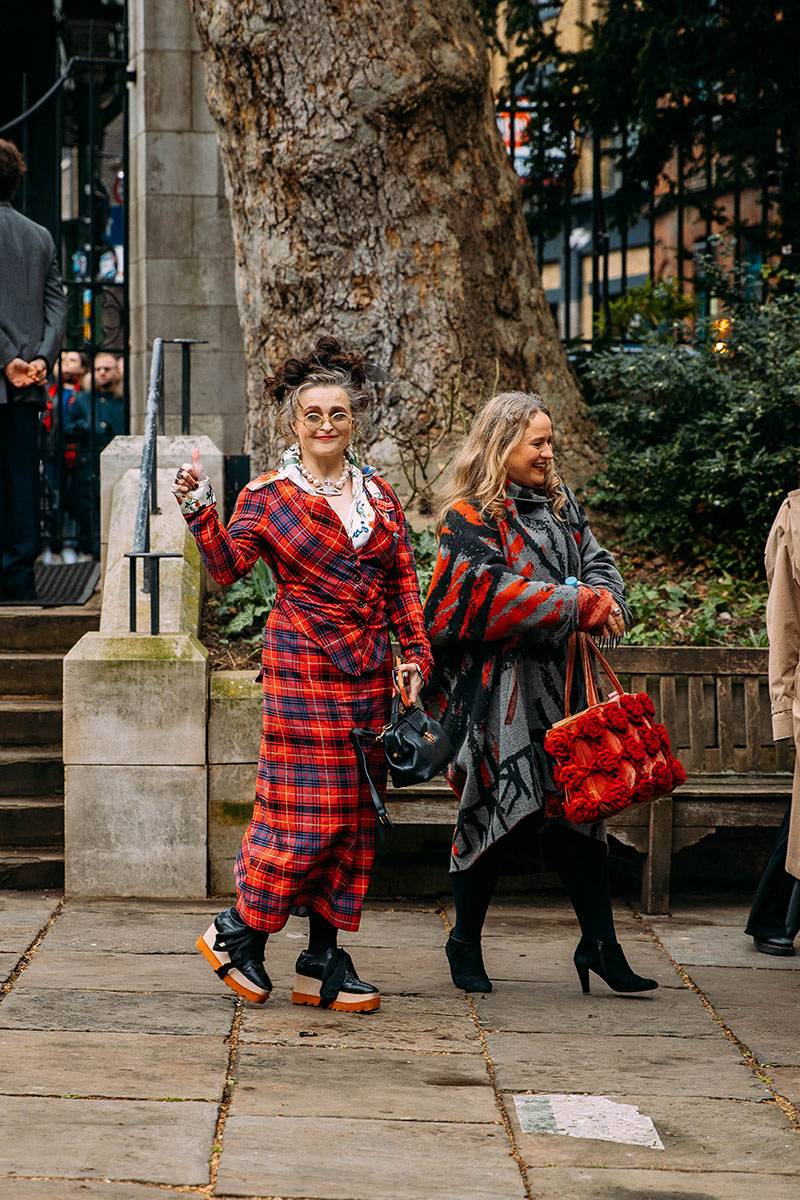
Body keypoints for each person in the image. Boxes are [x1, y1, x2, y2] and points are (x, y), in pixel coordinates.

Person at [173, 336, 433, 1009]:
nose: (325, 425)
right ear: (293, 423)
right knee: (305, 817)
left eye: (338, 414)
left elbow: (402, 580)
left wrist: (413, 656)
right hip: (302, 668)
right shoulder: (269, 497)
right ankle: (239, 929)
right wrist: (201, 511)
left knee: (353, 819)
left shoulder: (379, 495)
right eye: (313, 414)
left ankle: (321, 959)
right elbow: (228, 568)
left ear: (355, 421)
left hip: (370, 673)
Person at [423, 391, 658, 996]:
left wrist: (606, 597)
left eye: (551, 441)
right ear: (503, 447)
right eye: (538, 443)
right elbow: (479, 598)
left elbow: (598, 562)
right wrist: (576, 603)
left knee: (581, 817)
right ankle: (464, 943)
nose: (550, 454)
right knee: (493, 810)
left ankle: (600, 946)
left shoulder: (559, 505)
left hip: (562, 691)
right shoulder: (469, 518)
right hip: (497, 698)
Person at [0, 138, 66, 601]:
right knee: (22, 483)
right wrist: (41, 358)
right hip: (26, 391)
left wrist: (7, 360)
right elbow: (57, 306)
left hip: (12, 375)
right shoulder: (40, 236)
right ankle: (19, 581)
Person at [745, 490, 800, 955]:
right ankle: (774, 917)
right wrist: (785, 705)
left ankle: (774, 917)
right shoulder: (795, 515)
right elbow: (784, 621)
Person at [65, 351, 126, 558]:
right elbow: (66, 428)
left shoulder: (124, 400)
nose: (102, 373)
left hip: (119, 461)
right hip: (88, 461)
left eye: (106, 369)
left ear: (116, 372)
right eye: (98, 369)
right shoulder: (82, 400)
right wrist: (87, 426)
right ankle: (92, 552)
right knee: (88, 507)